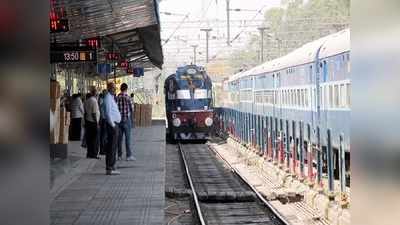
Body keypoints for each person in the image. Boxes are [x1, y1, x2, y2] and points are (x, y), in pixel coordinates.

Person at [103, 82, 121, 175]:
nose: (115, 89)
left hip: (113, 125)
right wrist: (113, 125)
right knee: (111, 147)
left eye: (115, 88)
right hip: (112, 126)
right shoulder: (107, 98)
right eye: (113, 88)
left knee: (113, 147)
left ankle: (112, 166)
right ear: (109, 88)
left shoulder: (110, 98)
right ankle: (110, 168)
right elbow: (108, 113)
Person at [117, 83, 135, 161]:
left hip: (119, 120)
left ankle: (119, 155)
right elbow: (132, 109)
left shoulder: (117, 97)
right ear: (126, 89)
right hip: (126, 120)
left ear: (120, 88)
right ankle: (128, 156)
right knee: (127, 139)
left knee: (119, 139)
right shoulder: (128, 97)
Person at [84, 87, 100, 158]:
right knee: (95, 140)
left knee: (89, 139)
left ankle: (89, 153)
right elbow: (94, 113)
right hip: (93, 122)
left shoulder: (87, 101)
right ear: (95, 93)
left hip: (88, 121)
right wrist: (96, 123)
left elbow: (85, 113)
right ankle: (94, 154)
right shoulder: (94, 101)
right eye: (97, 92)